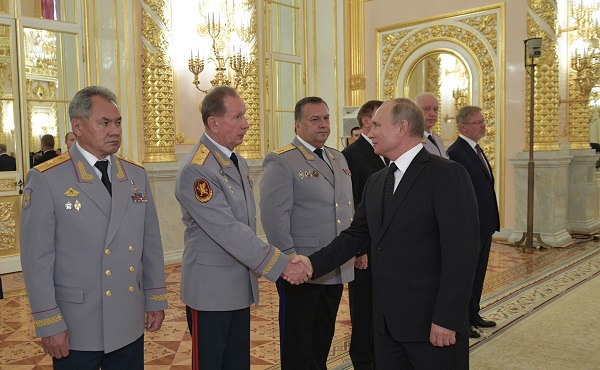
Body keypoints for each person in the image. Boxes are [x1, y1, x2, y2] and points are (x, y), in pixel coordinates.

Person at [304, 98, 480, 369]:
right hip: (386, 327)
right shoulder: (378, 181)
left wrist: (448, 319)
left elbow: (462, 255)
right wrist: (309, 264)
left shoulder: (447, 174)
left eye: (376, 125)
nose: (369, 132)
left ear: (402, 128)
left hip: (431, 325)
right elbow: (355, 235)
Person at [20, 86, 168, 370]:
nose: (115, 130)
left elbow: (150, 243)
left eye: (118, 122)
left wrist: (155, 298)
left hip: (127, 318)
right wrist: (48, 322)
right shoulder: (47, 178)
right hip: (76, 325)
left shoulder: (135, 174)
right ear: (78, 126)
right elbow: (36, 260)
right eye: (105, 123)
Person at [175, 86, 311, 370]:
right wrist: (282, 264)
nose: (246, 123)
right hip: (210, 293)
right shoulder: (197, 169)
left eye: (245, 116)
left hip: (238, 286)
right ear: (214, 123)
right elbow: (228, 230)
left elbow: (245, 226)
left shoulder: (236, 161)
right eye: (237, 117)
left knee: (236, 363)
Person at [260, 96, 355, 369]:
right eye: (315, 120)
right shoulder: (281, 161)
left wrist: (354, 251)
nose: (323, 125)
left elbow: (346, 210)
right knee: (299, 344)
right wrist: (289, 262)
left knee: (322, 338)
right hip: (301, 269)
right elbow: (274, 218)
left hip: (334, 265)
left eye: (326, 118)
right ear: (298, 125)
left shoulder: (338, 157)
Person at [447, 105, 500, 338]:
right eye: (478, 122)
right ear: (463, 126)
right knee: (466, 275)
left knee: (478, 273)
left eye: (483, 121)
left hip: (484, 224)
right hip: (470, 226)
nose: (483, 125)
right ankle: (463, 320)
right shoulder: (457, 152)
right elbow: (462, 193)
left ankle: (474, 313)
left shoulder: (476, 149)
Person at [341, 99, 384, 370]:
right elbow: (352, 204)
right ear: (367, 121)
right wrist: (358, 250)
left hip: (383, 246)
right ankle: (363, 360)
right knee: (363, 307)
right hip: (365, 247)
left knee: (379, 305)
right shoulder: (353, 155)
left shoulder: (384, 151)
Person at [415, 92, 448, 158]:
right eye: (427, 109)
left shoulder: (438, 139)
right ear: (415, 110)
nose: (432, 114)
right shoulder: (412, 139)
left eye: (435, 109)